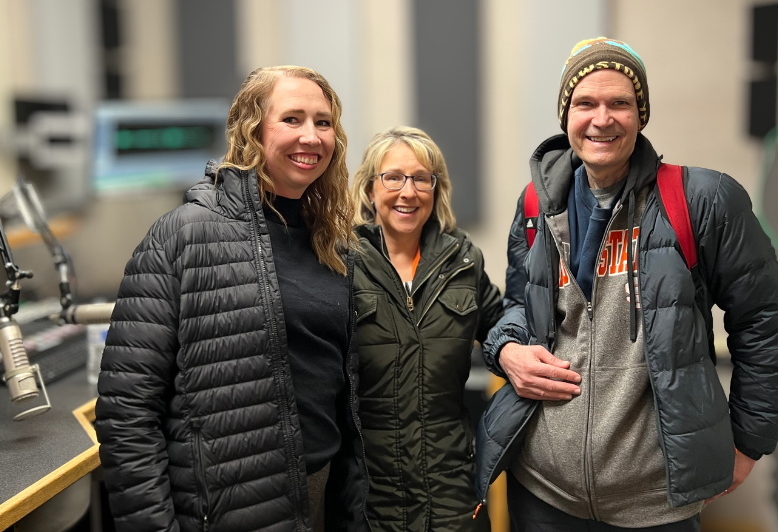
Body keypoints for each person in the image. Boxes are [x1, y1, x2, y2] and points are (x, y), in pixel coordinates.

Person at [478, 38, 778, 531]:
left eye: (619, 103)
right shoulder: (537, 204)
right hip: (540, 490)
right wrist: (506, 350)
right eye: (585, 103)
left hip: (654, 504)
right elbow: (520, 303)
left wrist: (749, 442)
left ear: (640, 114)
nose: (601, 119)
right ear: (566, 115)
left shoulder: (702, 201)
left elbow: (768, 322)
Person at [95, 66, 369, 532]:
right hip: (227, 510)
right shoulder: (184, 234)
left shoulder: (336, 243)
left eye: (323, 122)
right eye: (292, 119)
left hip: (321, 495)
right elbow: (126, 413)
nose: (311, 136)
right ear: (252, 130)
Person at [350, 126, 503, 531]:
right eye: (394, 177)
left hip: (452, 492)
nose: (408, 191)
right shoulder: (340, 263)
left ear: (436, 190)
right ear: (369, 190)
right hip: (369, 498)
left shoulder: (463, 261)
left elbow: (504, 329)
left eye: (422, 178)